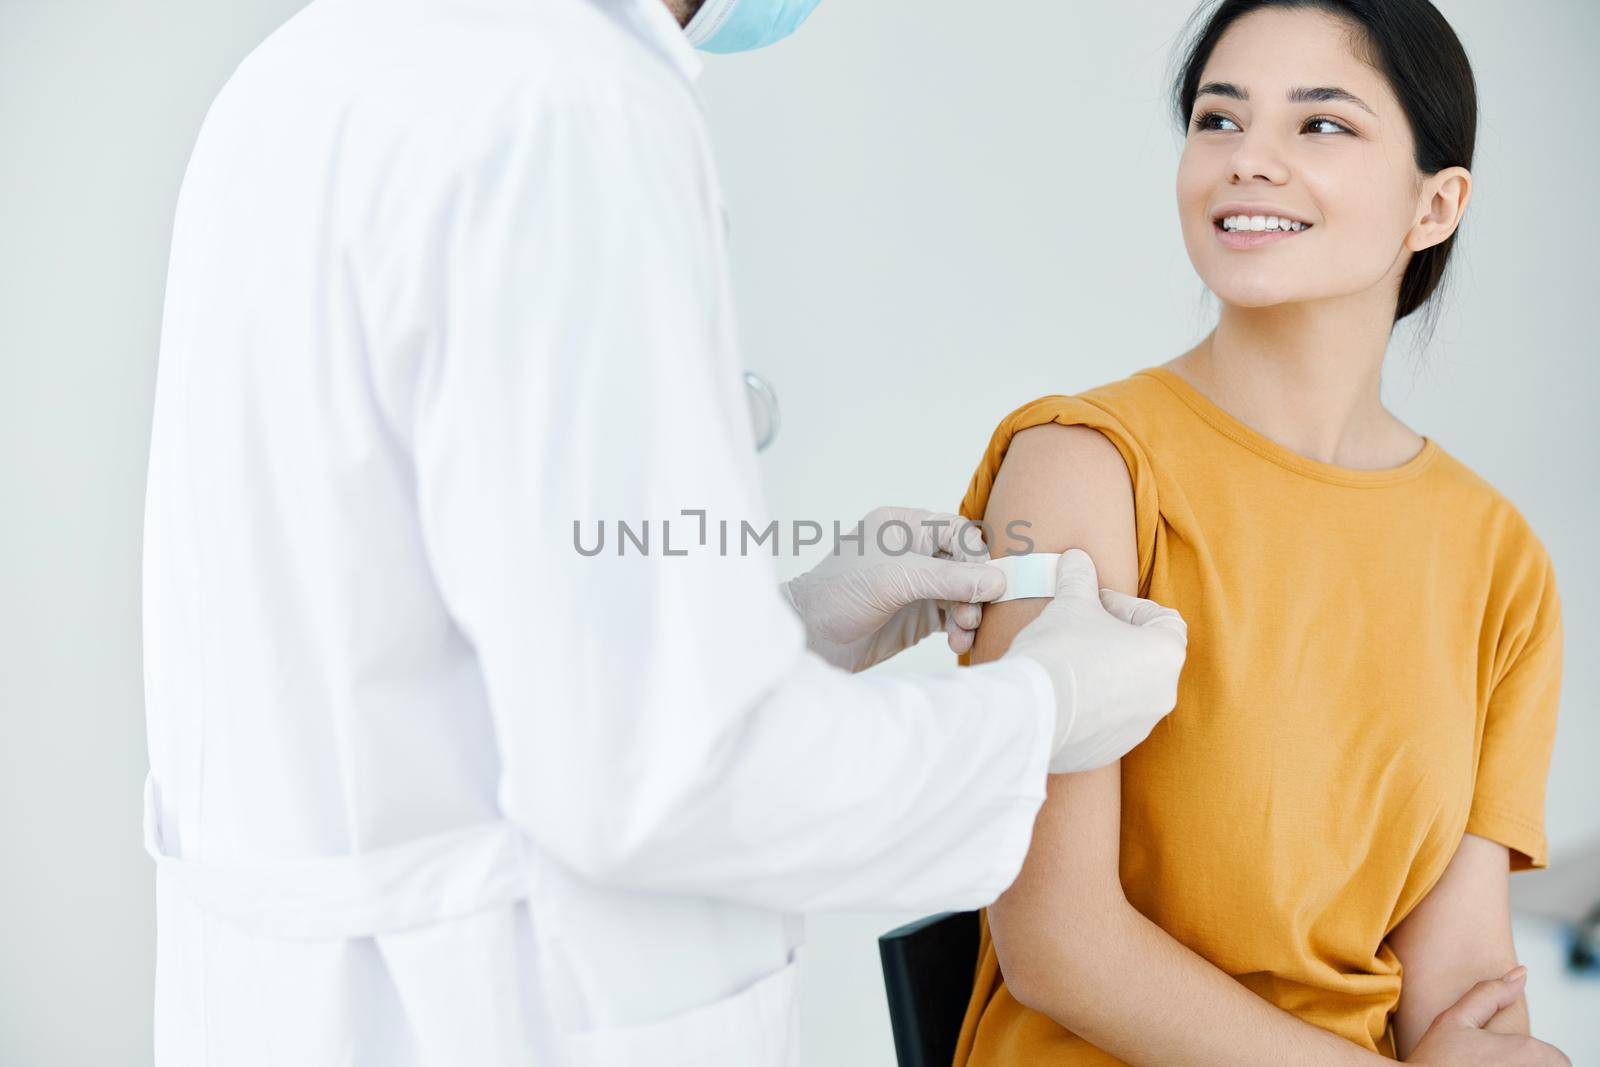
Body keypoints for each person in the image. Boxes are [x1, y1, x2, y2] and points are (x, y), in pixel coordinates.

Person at [138, 0, 1191, 1064]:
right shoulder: (568, 105)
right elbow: (663, 776)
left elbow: (453, 638)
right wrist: (1034, 711)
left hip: (300, 997)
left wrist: (794, 631)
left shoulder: (311, 67)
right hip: (487, 1007)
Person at [949, 1, 1570, 1064]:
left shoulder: (1494, 557)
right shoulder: (1082, 466)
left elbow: (1461, 985)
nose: (1248, 162)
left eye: (1319, 125)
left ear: (1436, 203)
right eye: (1217, 119)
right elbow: (1057, 940)